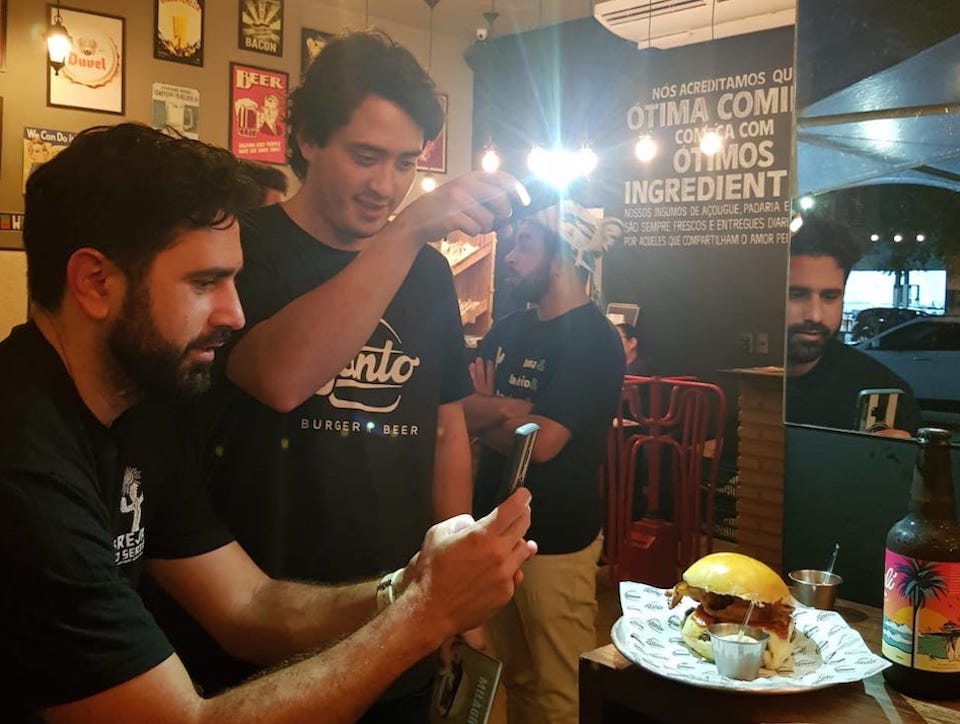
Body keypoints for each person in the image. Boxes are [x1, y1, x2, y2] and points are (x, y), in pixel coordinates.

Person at [0, 122, 536, 723]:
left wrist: (410, 584)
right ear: (95, 283)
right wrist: (426, 614)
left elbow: (247, 606)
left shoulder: (139, 420)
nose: (234, 313)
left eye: (233, 279)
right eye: (205, 283)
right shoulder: (22, 463)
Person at [200, 30, 528, 718]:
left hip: (403, 608)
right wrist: (406, 231)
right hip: (270, 620)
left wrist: (456, 591)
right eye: (365, 156)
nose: (386, 186)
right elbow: (281, 377)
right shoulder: (245, 250)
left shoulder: (428, 273)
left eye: (406, 162)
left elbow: (444, 429)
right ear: (308, 140)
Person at [463, 200, 626, 724]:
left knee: (562, 693)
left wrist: (489, 412)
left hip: (556, 541)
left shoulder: (594, 340)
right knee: (514, 679)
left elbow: (545, 443)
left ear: (559, 260)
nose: (511, 258)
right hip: (496, 535)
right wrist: (509, 411)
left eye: (524, 245)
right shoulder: (507, 328)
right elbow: (460, 410)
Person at [785, 216, 921, 434]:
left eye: (829, 296)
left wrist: (901, 455)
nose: (816, 315)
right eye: (796, 294)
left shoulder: (884, 393)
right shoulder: (727, 383)